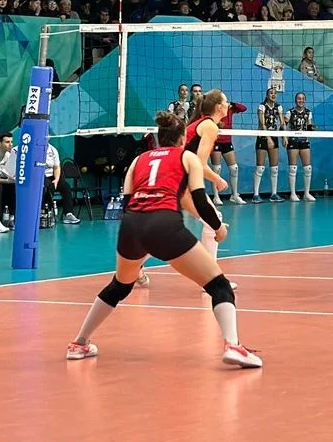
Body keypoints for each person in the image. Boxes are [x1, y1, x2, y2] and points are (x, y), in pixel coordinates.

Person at [65, 110, 258, 367]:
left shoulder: (139, 160)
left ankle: (79, 343)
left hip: (131, 225)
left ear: (158, 138)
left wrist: (141, 245)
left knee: (119, 286)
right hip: (165, 224)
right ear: (182, 138)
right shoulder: (187, 157)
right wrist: (218, 227)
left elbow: (126, 202)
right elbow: (200, 200)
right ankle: (233, 346)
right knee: (219, 286)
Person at [251, 87, 286, 202]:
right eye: (271, 93)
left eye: (275, 93)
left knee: (274, 168)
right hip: (262, 137)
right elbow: (262, 124)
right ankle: (256, 194)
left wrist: (285, 136)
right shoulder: (262, 106)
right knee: (260, 168)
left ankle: (274, 194)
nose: (273, 95)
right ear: (267, 95)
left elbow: (282, 123)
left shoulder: (278, 107)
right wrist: (268, 138)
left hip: (274, 137)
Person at [286, 91, 316, 201]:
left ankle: (306, 193)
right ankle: (293, 194)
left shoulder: (308, 112)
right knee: (293, 168)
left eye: (303, 99)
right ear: (295, 100)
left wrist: (312, 129)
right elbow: (283, 125)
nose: (301, 100)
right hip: (293, 141)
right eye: (299, 98)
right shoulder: (290, 112)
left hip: (304, 141)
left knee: (308, 168)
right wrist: (284, 137)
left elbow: (309, 126)